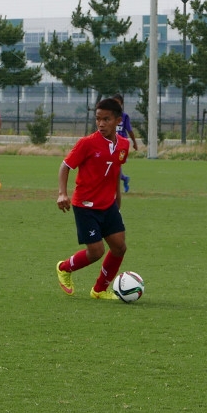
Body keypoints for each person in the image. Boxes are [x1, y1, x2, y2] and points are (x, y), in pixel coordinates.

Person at [56, 98, 131, 300]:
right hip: (86, 205)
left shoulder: (124, 145)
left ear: (118, 120)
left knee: (119, 247)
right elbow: (65, 167)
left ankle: (99, 290)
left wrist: (118, 203)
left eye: (106, 119)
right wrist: (62, 193)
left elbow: (115, 173)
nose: (101, 123)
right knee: (96, 251)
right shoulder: (87, 143)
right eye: (98, 119)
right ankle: (64, 267)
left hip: (108, 205)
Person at [112, 94, 138, 193]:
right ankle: (124, 179)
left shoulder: (124, 116)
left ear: (121, 104)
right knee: (112, 164)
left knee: (118, 163)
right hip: (111, 144)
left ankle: (116, 187)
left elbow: (129, 130)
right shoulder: (109, 116)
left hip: (122, 145)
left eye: (118, 103)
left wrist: (134, 143)